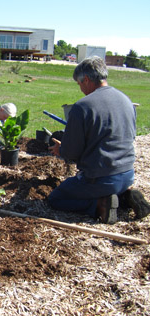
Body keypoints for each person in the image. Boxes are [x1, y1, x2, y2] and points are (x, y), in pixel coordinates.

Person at [48, 56, 150, 224]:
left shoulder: (82, 107)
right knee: (109, 184)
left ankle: (99, 204)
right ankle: (123, 197)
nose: (80, 89)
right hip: (127, 174)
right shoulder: (126, 100)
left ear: (86, 80)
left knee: (56, 198)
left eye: (79, 84)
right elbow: (128, 137)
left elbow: (72, 153)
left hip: (101, 179)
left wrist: (62, 149)